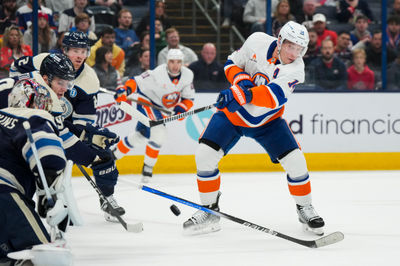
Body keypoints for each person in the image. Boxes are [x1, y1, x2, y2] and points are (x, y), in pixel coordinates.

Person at [182, 21, 325, 236]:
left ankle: (304, 208)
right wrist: (240, 81)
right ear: (279, 41)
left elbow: (273, 96)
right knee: (204, 155)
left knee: (297, 162)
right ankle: (209, 210)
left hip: (268, 123)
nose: (294, 53)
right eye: (290, 46)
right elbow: (231, 63)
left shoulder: (296, 69)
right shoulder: (256, 40)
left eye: (299, 49)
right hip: (232, 117)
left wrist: (244, 94)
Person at [9, 32, 125, 222]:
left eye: (83, 51)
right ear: (65, 50)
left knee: (98, 149)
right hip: (36, 118)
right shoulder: (45, 62)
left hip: (60, 122)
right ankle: (43, 203)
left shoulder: (89, 79)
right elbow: (16, 68)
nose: (79, 56)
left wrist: (82, 138)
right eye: (75, 50)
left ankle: (106, 197)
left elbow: (83, 120)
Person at [0, 78, 72, 265]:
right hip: (4, 194)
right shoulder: (31, 116)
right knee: (40, 255)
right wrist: (50, 192)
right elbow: (50, 157)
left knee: (7, 256)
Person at [113, 49, 195, 183]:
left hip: (161, 109)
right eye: (172, 62)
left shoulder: (187, 76)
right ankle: (148, 168)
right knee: (159, 132)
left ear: (182, 63)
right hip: (146, 101)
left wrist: (181, 109)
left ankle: (112, 156)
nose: (175, 65)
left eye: (178, 62)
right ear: (166, 62)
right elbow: (136, 81)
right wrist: (125, 90)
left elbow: (188, 99)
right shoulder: (157, 73)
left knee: (140, 136)